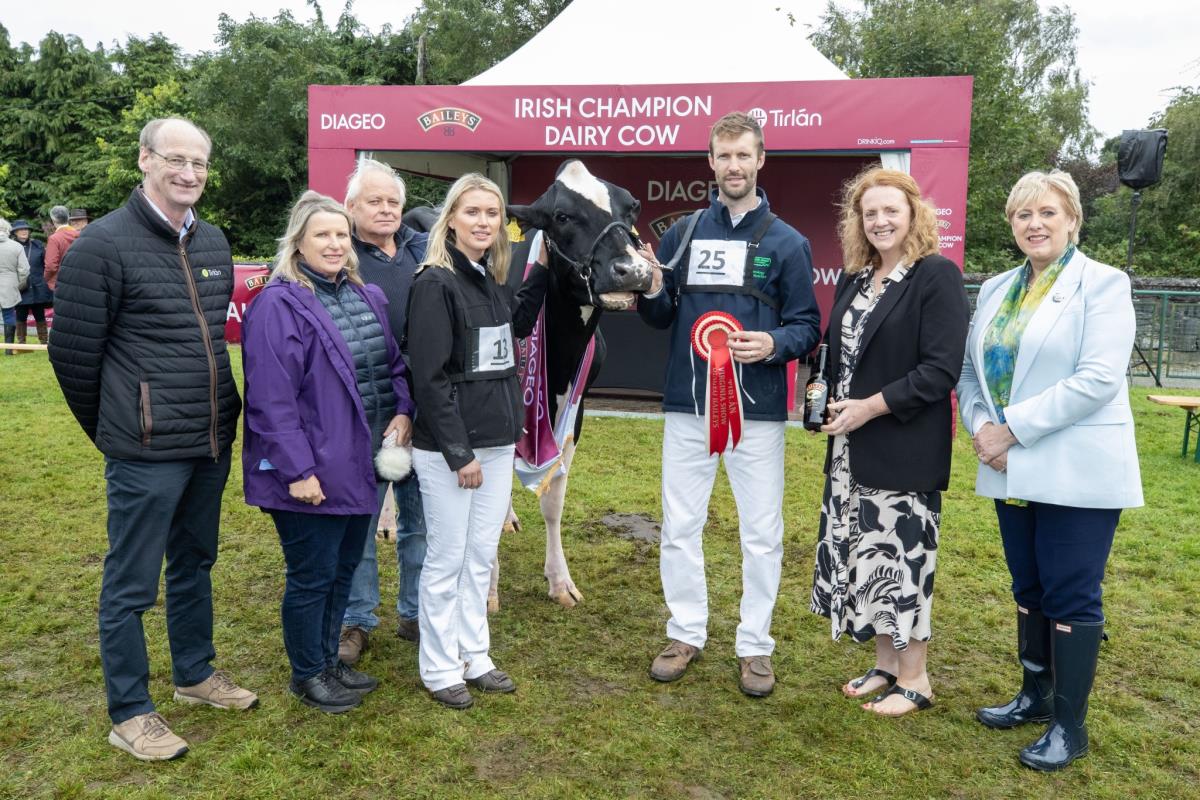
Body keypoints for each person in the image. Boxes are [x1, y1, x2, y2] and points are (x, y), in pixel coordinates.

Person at [47, 117, 256, 761]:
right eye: (175, 160)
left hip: (211, 440)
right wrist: (121, 429)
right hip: (144, 451)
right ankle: (130, 711)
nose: (189, 173)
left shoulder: (214, 241)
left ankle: (194, 674)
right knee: (132, 583)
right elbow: (74, 357)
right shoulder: (101, 245)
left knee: (195, 562)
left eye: (200, 163)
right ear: (144, 160)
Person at [957, 169, 1142, 771]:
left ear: (1072, 219)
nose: (1034, 224)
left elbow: (1098, 378)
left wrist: (1012, 429)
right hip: (1007, 464)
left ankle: (1070, 725)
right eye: (1022, 215)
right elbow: (968, 376)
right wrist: (982, 428)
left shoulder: (1104, 284)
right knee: (1029, 585)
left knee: (1071, 592)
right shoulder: (994, 290)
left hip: (1075, 467)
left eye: (1047, 214)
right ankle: (1034, 695)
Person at [636, 111, 821, 697]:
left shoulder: (789, 242)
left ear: (761, 160)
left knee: (761, 532)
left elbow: (807, 325)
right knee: (679, 526)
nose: (734, 166)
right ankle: (686, 631)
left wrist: (773, 344)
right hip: (685, 405)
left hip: (758, 410)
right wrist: (649, 287)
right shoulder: (683, 233)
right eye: (724, 155)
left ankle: (754, 645)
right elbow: (660, 316)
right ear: (710, 162)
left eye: (744, 155)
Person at [241, 190, 414, 714]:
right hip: (311, 470)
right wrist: (297, 471)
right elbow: (271, 399)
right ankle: (308, 674)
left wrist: (403, 409)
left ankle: (329, 662)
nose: (335, 243)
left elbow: (392, 366)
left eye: (341, 234)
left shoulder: (367, 297)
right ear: (298, 242)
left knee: (341, 571)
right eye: (323, 234)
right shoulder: (278, 303)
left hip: (360, 462)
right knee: (312, 575)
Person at [808, 168, 970, 716]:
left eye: (890, 211)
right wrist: (828, 401)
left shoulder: (936, 277)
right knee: (865, 560)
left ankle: (917, 678)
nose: (880, 221)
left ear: (913, 215)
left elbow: (939, 371)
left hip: (902, 447)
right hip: (850, 453)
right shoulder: (854, 280)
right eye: (869, 213)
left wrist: (868, 408)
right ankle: (884, 666)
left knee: (903, 563)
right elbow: (843, 359)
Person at [407, 173, 549, 709]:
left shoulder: (488, 280)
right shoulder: (434, 284)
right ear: (451, 219)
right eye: (472, 212)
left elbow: (510, 335)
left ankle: (474, 654)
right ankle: (440, 666)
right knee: (447, 557)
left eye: (492, 213)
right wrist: (459, 452)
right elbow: (430, 378)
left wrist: (543, 273)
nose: (483, 222)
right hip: (452, 450)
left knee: (480, 554)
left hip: (495, 443)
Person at [337, 158, 430, 665]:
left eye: (393, 200)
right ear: (351, 207)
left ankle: (416, 611)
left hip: (426, 407)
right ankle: (357, 619)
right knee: (362, 518)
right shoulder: (337, 255)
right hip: (363, 408)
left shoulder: (425, 250)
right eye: (374, 200)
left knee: (421, 518)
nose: (387, 209)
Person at [12, 219, 52, 349]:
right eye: (21, 229)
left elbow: (46, 264)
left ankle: (44, 342)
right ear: (15, 232)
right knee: (20, 315)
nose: (24, 231)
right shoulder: (11, 246)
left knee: (39, 314)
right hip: (20, 286)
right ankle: (22, 343)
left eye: (26, 229)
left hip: (37, 286)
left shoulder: (37, 245)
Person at [0, 217, 32, 354]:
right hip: (10, 284)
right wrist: (18, 285)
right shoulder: (16, 246)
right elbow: (24, 270)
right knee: (8, 315)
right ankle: (8, 349)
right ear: (8, 230)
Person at [43, 205, 79, 292]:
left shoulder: (54, 238)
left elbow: (51, 266)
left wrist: (46, 278)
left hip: (61, 283)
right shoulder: (80, 235)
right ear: (68, 218)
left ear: (53, 220)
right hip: (79, 280)